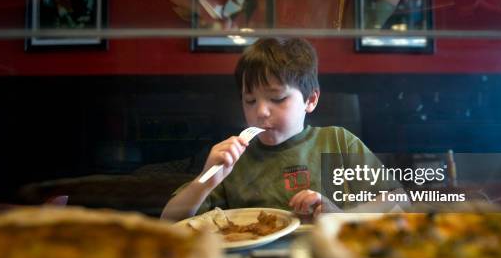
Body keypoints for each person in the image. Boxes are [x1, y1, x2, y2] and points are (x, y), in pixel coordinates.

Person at [161, 38, 402, 221]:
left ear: (310, 100)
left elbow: (399, 200)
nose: (261, 112)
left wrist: (338, 216)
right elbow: (169, 220)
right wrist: (206, 181)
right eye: (250, 100)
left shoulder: (337, 141)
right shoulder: (233, 159)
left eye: (277, 99)